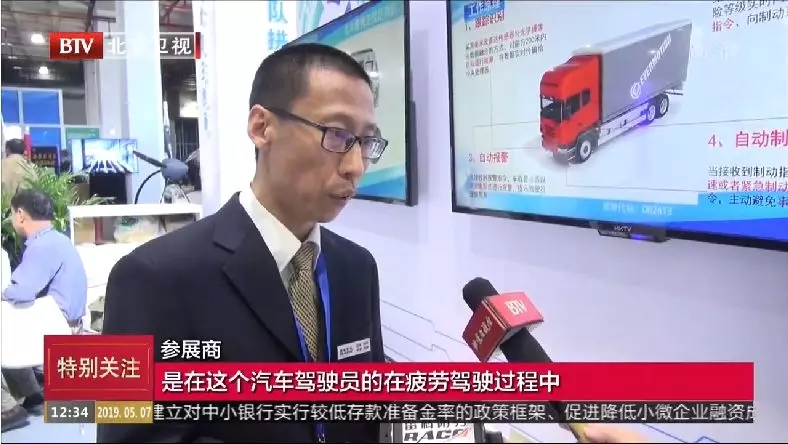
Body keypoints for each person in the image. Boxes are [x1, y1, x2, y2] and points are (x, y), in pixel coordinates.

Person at [98, 43, 388, 443]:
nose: (355, 166)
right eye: (336, 135)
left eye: (366, 142)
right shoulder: (151, 278)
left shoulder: (356, 269)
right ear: (262, 127)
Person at [3, 189, 88, 332]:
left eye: (12, 214)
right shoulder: (59, 239)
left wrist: (3, 293)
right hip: (71, 326)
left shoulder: (43, 245)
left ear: (20, 215)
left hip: (57, 330)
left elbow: (22, 292)